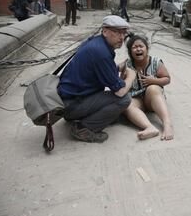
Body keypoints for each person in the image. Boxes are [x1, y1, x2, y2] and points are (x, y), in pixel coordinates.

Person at [58, 15, 136, 143]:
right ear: (105, 31)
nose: (121, 37)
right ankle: (83, 128)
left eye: (123, 33)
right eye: (116, 32)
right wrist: (131, 77)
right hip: (71, 105)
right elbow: (120, 91)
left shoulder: (96, 43)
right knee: (124, 99)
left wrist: (116, 68)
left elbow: (95, 70)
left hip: (66, 99)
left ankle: (83, 116)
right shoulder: (102, 53)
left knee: (113, 101)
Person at [120, 35, 173, 140]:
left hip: (152, 99)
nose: (138, 49)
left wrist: (152, 81)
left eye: (141, 46)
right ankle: (150, 128)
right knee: (126, 103)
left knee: (153, 88)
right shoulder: (127, 64)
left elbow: (167, 79)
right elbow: (122, 84)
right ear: (130, 52)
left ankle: (167, 124)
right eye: (135, 47)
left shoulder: (156, 62)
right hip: (137, 100)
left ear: (147, 49)